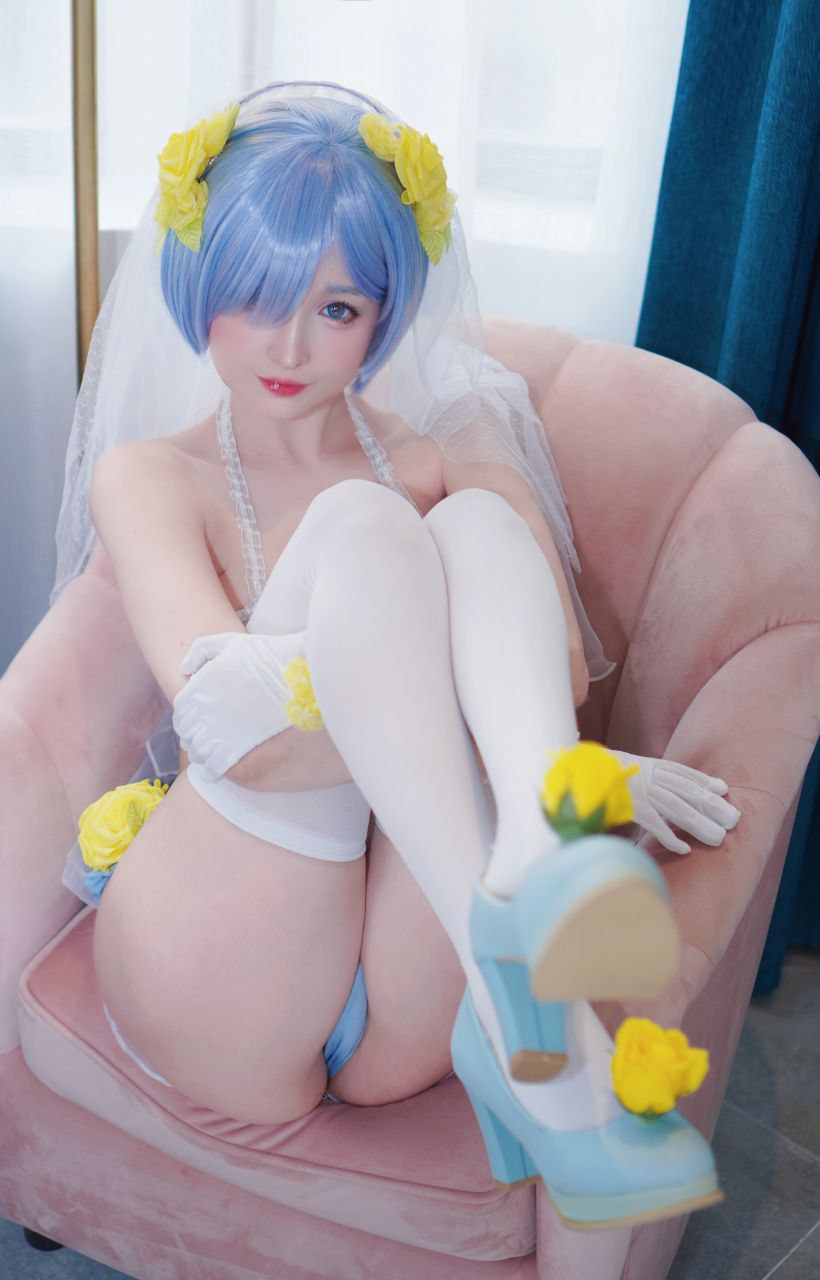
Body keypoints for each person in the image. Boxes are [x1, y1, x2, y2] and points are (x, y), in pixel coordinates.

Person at [54, 81, 741, 1230]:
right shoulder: (151, 477)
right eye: (253, 296)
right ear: (195, 285)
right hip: (222, 956)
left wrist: (537, 748)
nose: (287, 345)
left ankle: (525, 876)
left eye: (335, 308)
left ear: (384, 316)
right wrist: (583, 770)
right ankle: (519, 970)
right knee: (368, 526)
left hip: (399, 992)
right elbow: (229, 731)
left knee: (469, 524)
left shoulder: (426, 458)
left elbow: (551, 675)